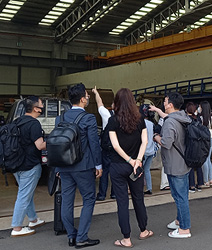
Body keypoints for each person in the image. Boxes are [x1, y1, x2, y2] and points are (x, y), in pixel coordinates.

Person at [56, 83, 103, 248]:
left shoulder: (60, 118)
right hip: (83, 166)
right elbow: (94, 144)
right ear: (83, 99)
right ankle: (82, 237)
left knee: (67, 200)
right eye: (87, 96)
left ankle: (71, 235)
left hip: (64, 166)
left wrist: (57, 168)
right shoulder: (88, 118)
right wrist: (98, 165)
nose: (88, 98)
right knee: (89, 198)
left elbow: (57, 144)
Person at [108, 88, 153, 247]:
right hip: (136, 167)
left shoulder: (113, 120)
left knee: (122, 203)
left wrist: (129, 160)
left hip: (118, 166)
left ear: (117, 102)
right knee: (138, 198)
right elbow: (145, 141)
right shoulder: (140, 119)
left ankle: (126, 239)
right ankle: (143, 230)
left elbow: (115, 145)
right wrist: (138, 160)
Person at [154, 92, 192, 238]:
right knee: (181, 195)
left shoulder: (170, 122)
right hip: (184, 162)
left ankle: (184, 229)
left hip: (175, 164)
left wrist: (156, 137)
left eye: (165, 101)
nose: (164, 103)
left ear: (170, 104)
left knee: (180, 196)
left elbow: (166, 143)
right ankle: (179, 221)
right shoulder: (183, 117)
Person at [10, 96, 46, 237]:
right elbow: (40, 145)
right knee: (24, 196)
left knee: (26, 193)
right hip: (29, 165)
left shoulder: (17, 121)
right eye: (42, 105)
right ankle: (17, 227)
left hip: (16, 165)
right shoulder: (34, 124)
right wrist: (56, 140)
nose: (42, 107)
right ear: (36, 108)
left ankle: (33, 220)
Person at [92, 86, 116, 201]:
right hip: (118, 150)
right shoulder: (124, 117)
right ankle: (114, 194)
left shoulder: (107, 115)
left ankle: (102, 195)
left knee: (104, 172)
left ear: (113, 106)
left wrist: (96, 92)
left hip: (107, 149)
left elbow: (99, 103)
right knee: (115, 172)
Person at [149, 105, 171, 191]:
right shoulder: (164, 119)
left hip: (164, 143)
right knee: (166, 164)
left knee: (167, 164)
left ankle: (166, 183)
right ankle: (165, 184)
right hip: (164, 143)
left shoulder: (165, 119)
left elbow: (158, 130)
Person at [185, 102, 204, 192]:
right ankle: (200, 184)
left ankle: (191, 185)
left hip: (190, 143)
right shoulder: (198, 119)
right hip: (199, 143)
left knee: (190, 165)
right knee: (198, 164)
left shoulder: (186, 119)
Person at [139, 104, 156, 195]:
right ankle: (149, 188)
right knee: (147, 170)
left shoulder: (140, 123)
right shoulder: (151, 124)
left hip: (144, 151)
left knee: (140, 171)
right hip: (151, 150)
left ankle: (140, 189)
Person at [199, 101, 212, 187]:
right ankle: (210, 179)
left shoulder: (201, 119)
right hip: (211, 139)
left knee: (204, 159)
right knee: (208, 159)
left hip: (204, 140)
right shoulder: (211, 118)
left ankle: (206, 180)